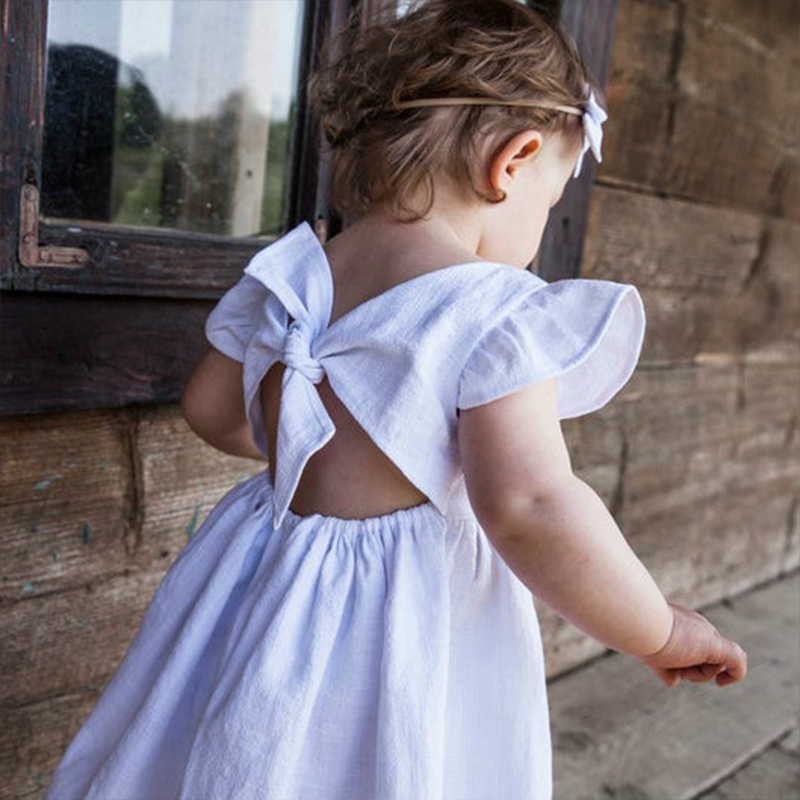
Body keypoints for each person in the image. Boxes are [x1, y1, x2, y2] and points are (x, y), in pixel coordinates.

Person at [46, 2, 747, 799]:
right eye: (549, 205)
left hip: (258, 576)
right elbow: (530, 504)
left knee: (237, 755)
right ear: (511, 163)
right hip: (392, 624)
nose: (540, 230)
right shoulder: (492, 310)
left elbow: (210, 407)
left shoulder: (297, 269)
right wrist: (657, 628)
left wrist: (314, 437)